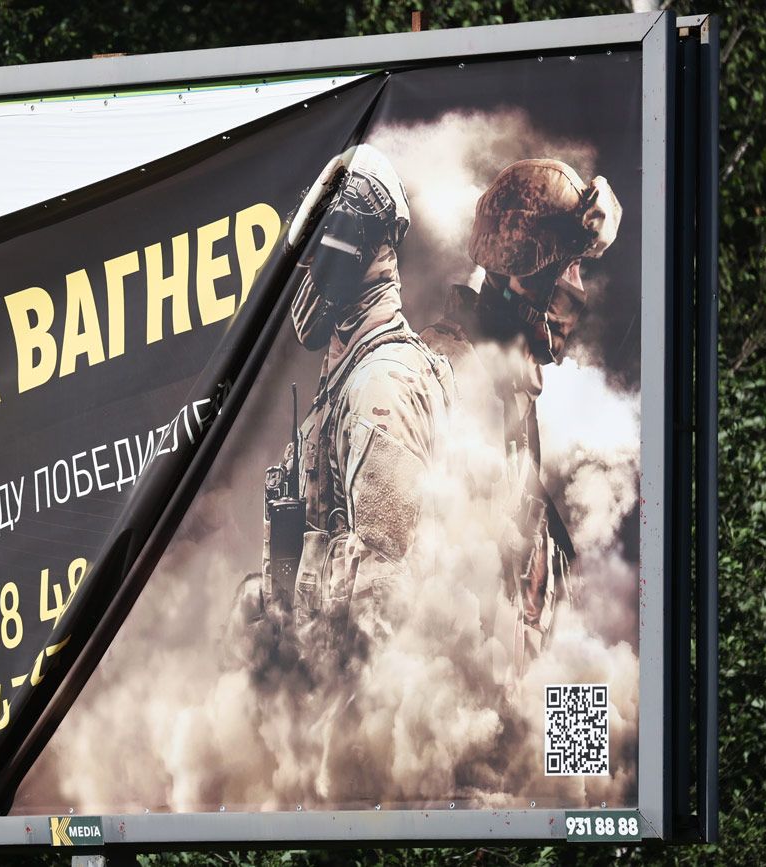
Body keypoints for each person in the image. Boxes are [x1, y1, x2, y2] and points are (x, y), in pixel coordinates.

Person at [420, 158, 622, 675]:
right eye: (568, 269)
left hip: (508, 697)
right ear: (524, 277)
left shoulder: (511, 389)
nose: (577, 288)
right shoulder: (449, 377)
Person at [254, 144, 454, 654]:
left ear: (349, 244)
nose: (311, 271)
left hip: (359, 695)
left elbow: (383, 609)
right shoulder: (348, 376)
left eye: (321, 250)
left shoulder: (381, 385)